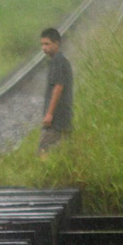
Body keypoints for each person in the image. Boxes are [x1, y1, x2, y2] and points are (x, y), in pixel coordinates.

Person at [38, 27, 73, 156]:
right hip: (62, 117)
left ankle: (44, 175)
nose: (44, 47)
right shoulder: (57, 61)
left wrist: (49, 114)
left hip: (57, 119)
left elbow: (58, 87)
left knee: (43, 152)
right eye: (42, 44)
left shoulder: (58, 62)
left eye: (47, 44)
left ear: (57, 43)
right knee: (61, 152)